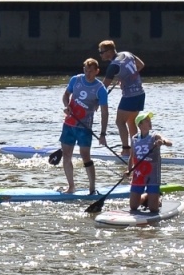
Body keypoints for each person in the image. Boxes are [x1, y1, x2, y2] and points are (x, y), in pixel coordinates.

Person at [59, 58, 110, 195]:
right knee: (66, 155)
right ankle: (71, 187)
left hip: (85, 127)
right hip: (69, 124)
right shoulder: (75, 80)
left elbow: (105, 112)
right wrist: (67, 106)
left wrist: (103, 134)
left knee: (85, 156)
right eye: (86, 71)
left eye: (91, 71)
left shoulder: (100, 89)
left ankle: (92, 188)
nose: (88, 74)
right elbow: (66, 95)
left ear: (97, 71)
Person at [99, 41, 146, 153]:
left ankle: (126, 149)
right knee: (131, 121)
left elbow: (103, 87)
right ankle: (136, 149)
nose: (100, 54)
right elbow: (141, 65)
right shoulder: (127, 53)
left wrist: (94, 100)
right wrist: (127, 77)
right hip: (140, 94)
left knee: (119, 122)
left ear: (109, 51)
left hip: (130, 96)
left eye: (102, 52)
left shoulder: (113, 66)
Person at [126, 113, 173, 215]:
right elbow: (131, 157)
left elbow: (170, 143)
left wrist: (162, 142)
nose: (150, 122)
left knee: (153, 209)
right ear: (140, 125)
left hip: (152, 174)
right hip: (139, 175)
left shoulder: (154, 136)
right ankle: (147, 196)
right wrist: (129, 170)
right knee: (133, 206)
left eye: (149, 120)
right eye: (147, 121)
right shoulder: (134, 139)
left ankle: (156, 198)